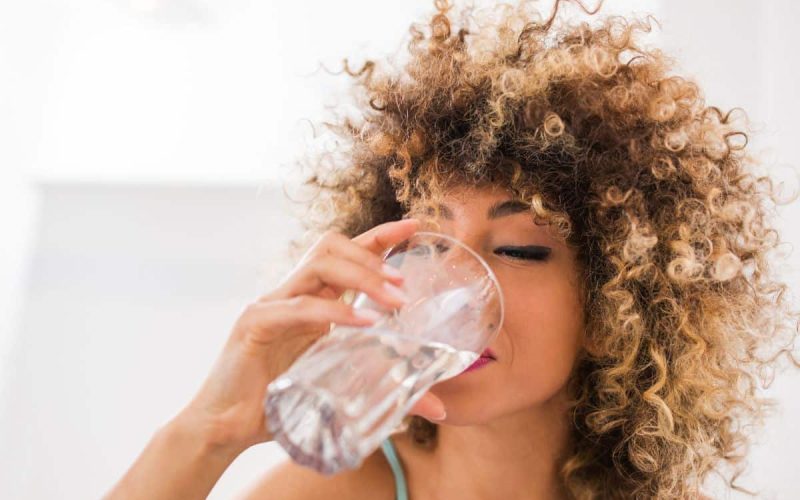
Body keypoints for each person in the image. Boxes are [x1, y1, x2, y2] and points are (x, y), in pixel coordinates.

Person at [104, 0, 800, 498]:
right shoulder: (335, 491)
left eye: (521, 250)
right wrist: (208, 432)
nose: (450, 286)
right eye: (430, 238)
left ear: (612, 307)